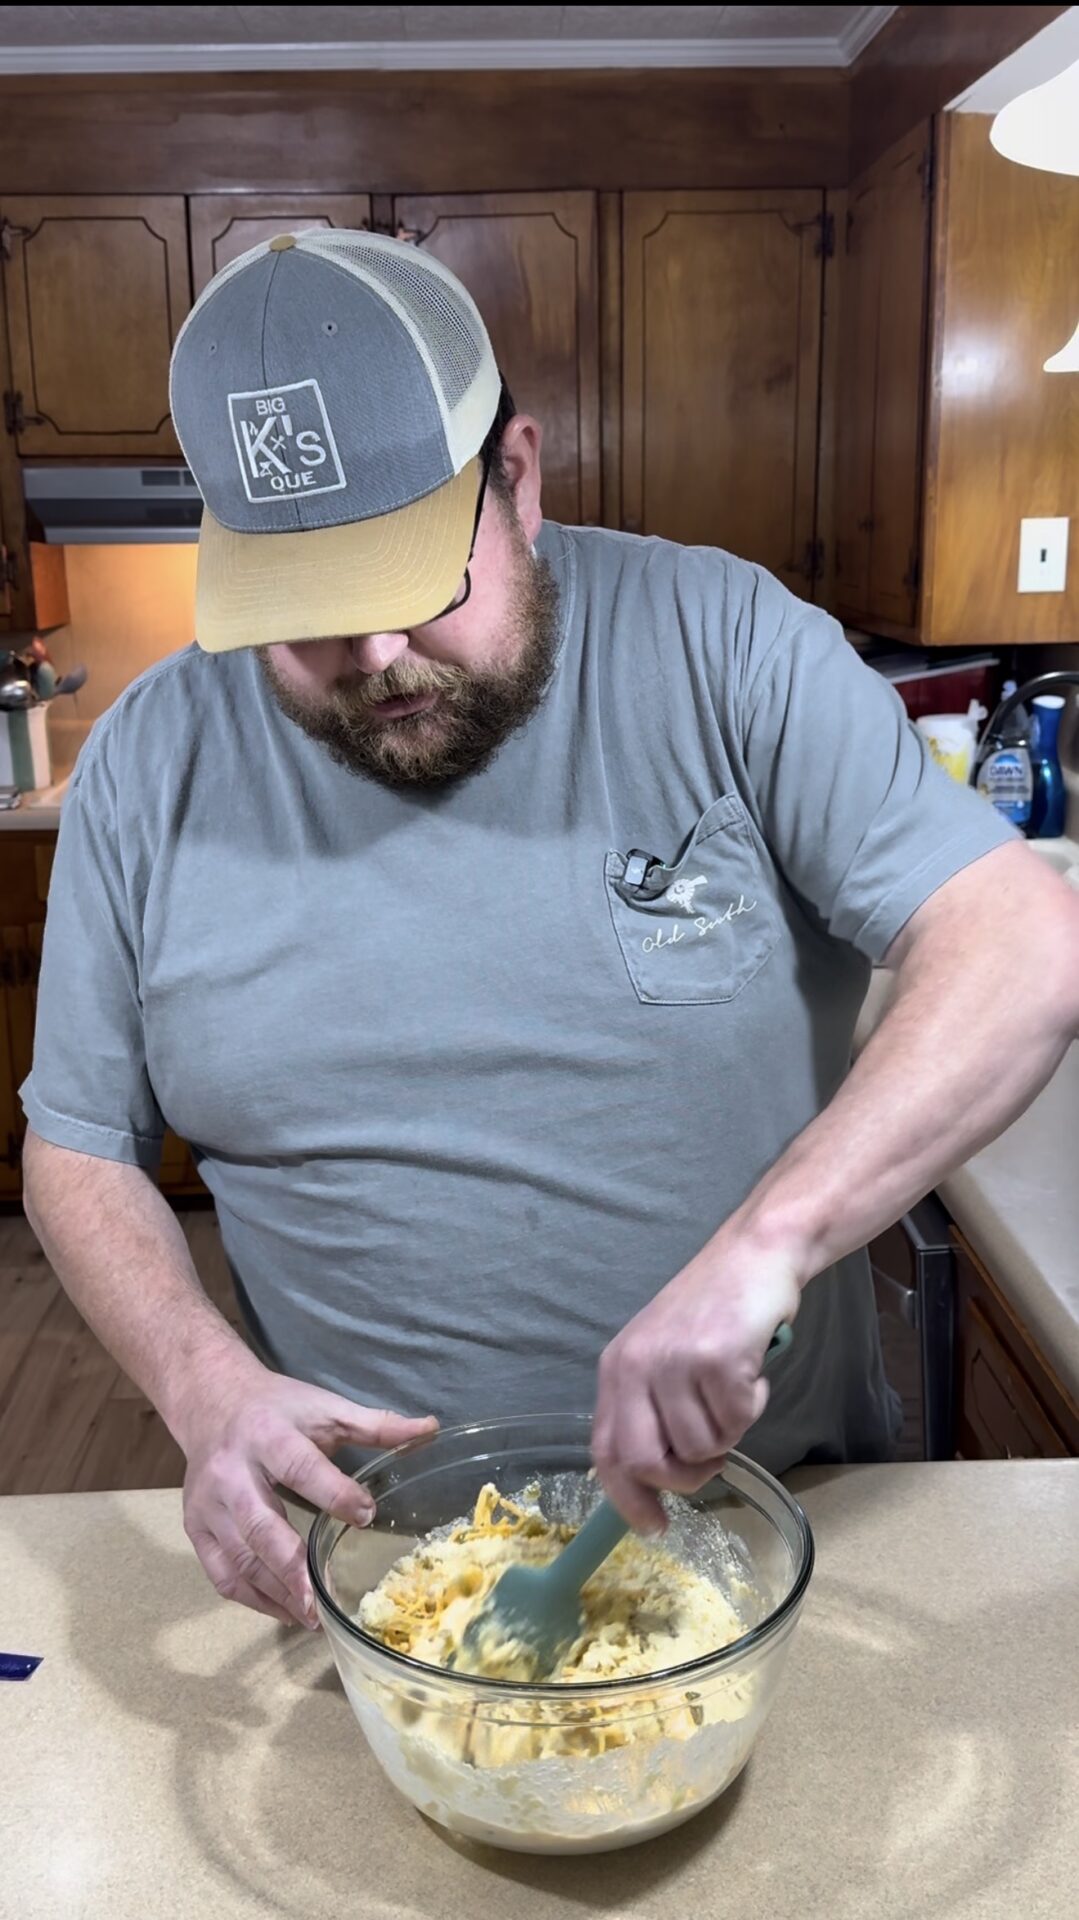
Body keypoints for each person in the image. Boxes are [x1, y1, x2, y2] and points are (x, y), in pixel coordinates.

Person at [21, 231, 1079, 1631]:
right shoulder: (150, 763)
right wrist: (199, 1384)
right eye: (311, 615)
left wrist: (766, 1247)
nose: (375, 659)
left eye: (413, 584)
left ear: (517, 475)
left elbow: (1022, 943)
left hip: (780, 1524)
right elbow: (78, 1146)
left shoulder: (725, 641)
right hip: (367, 1582)